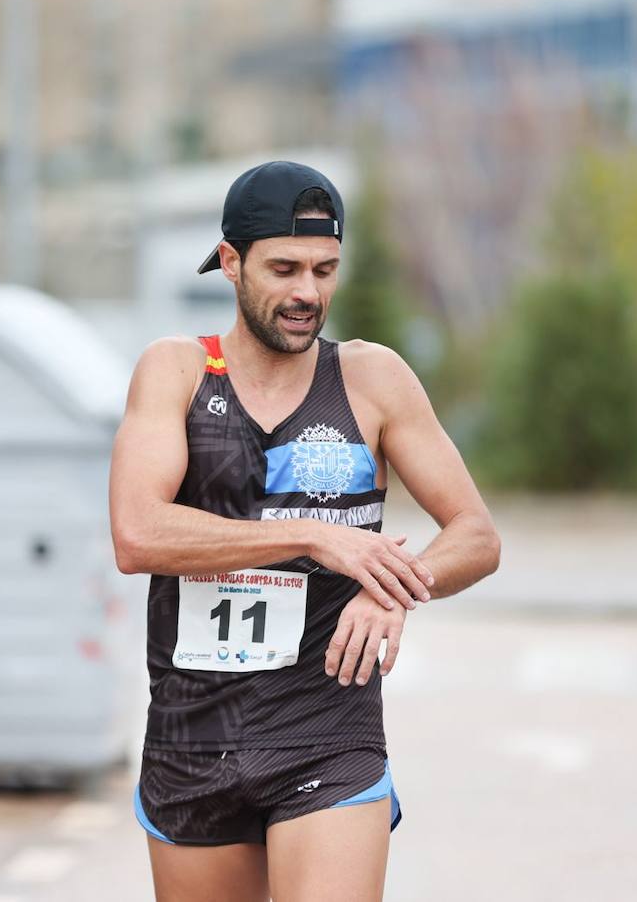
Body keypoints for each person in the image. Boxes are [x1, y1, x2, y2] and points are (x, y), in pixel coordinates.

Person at [109, 160, 501, 901]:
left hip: (327, 726)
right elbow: (137, 534)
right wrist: (314, 537)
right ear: (230, 262)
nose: (308, 293)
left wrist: (397, 588)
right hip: (195, 735)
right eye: (284, 268)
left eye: (325, 270)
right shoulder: (178, 372)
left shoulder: (370, 379)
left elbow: (476, 534)